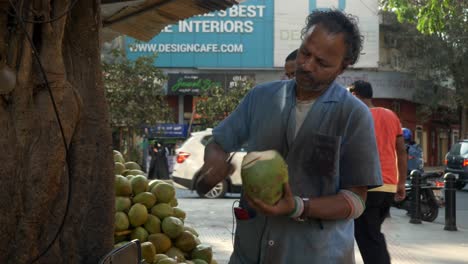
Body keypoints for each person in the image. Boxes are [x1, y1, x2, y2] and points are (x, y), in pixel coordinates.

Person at [195, 10, 382, 263]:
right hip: (250, 253)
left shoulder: (353, 114)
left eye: (322, 63)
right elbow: (219, 142)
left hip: (316, 254)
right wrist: (214, 162)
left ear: (342, 67)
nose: (306, 65)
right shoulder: (260, 98)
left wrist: (298, 206)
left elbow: (356, 200)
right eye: (305, 52)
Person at [349, 80, 407, 264]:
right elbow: (401, 150)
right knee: (373, 234)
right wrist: (401, 183)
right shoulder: (391, 115)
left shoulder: (357, 115)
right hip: (388, 187)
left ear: (356, 94)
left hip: (369, 185)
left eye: (351, 93)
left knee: (368, 237)